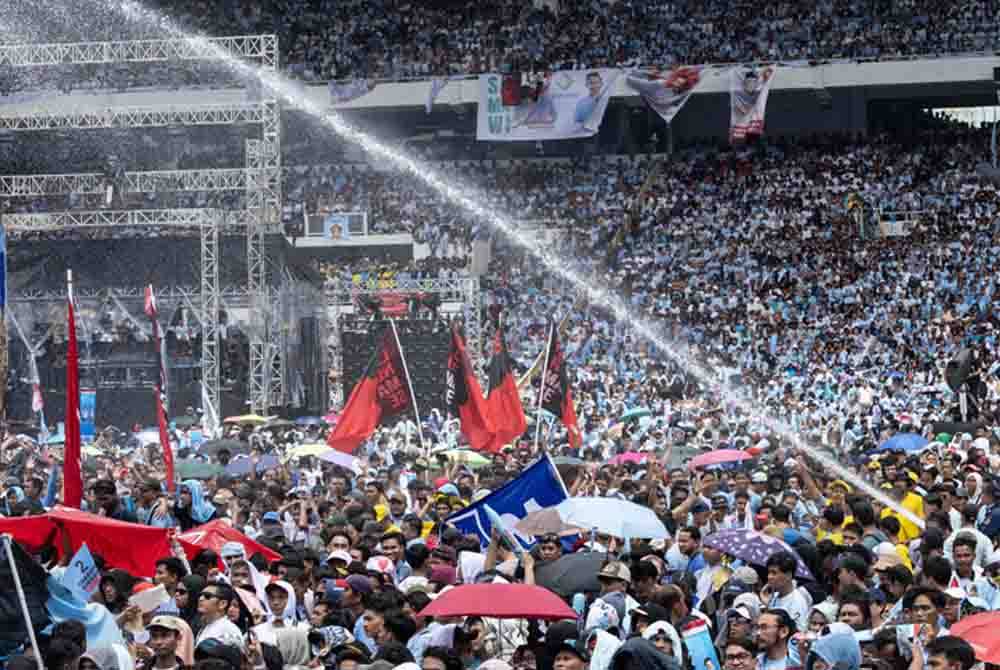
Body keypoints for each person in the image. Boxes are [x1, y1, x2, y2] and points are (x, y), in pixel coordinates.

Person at [762, 553, 810, 630]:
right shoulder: (774, 596)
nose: (769, 577)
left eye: (774, 573)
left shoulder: (797, 601)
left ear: (788, 575)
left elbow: (799, 633)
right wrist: (767, 605)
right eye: (769, 572)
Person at [194, 583, 243, 649]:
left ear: (222, 604)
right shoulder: (204, 627)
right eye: (200, 595)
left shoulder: (229, 629)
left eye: (207, 596)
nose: (201, 599)